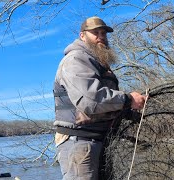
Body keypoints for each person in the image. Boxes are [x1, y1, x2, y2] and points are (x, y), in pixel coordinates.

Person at [53, 16, 146, 180]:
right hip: (80, 144)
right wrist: (128, 99)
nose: (101, 37)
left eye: (103, 33)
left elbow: (105, 107)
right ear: (83, 36)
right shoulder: (75, 59)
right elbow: (90, 100)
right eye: (95, 33)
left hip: (98, 142)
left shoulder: (97, 63)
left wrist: (130, 112)